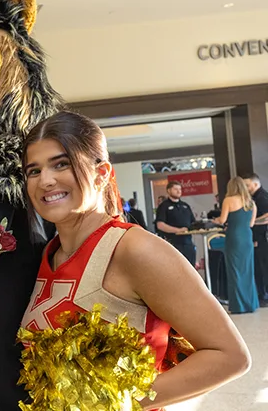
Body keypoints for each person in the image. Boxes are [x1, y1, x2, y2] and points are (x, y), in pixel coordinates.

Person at [20, 111, 250, 409]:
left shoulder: (134, 249)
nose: (46, 180)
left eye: (61, 164)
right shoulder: (45, 254)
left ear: (102, 173)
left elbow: (229, 356)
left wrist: (115, 402)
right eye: (33, 170)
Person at [213, 177, 259, 314]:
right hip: (247, 237)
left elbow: (222, 220)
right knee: (247, 271)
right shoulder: (251, 202)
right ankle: (250, 304)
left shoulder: (228, 200)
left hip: (234, 237)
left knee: (234, 271)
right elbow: (251, 224)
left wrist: (215, 220)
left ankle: (239, 306)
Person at [156, 181, 197, 266]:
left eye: (180, 189)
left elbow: (193, 222)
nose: (178, 191)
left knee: (191, 268)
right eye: (175, 189)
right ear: (169, 190)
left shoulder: (185, 206)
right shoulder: (164, 206)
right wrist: (178, 230)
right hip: (173, 243)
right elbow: (160, 225)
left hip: (188, 243)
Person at [244, 173, 268, 305]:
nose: (246, 188)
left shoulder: (262, 198)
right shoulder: (254, 198)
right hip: (259, 237)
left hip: (262, 237)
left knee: (262, 266)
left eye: (247, 185)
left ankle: (264, 295)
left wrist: (251, 222)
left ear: (255, 184)